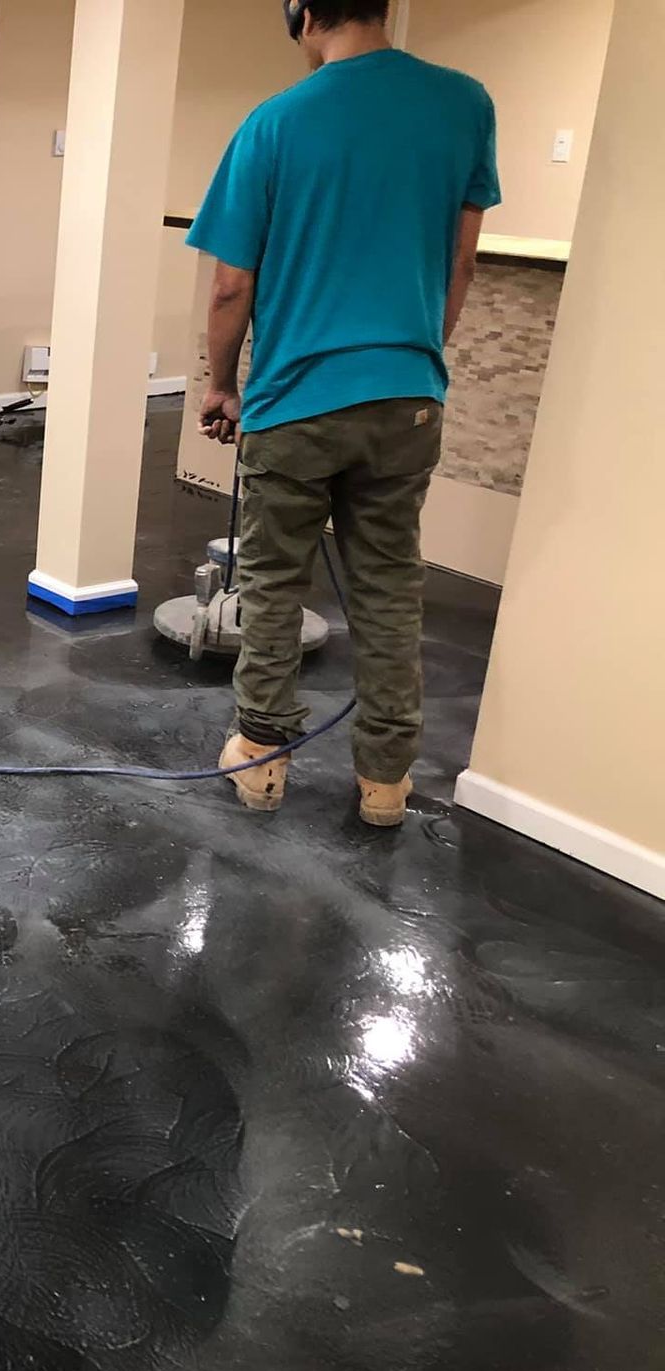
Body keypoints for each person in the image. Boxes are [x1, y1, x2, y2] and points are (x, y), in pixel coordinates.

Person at [186, 0, 499, 826]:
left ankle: (260, 762)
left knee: (275, 584)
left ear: (302, 10)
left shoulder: (275, 121)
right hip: (408, 400)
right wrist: (418, 362)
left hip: (297, 401)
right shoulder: (466, 103)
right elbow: (460, 259)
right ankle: (386, 784)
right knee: (390, 589)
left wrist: (222, 385)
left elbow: (230, 284)